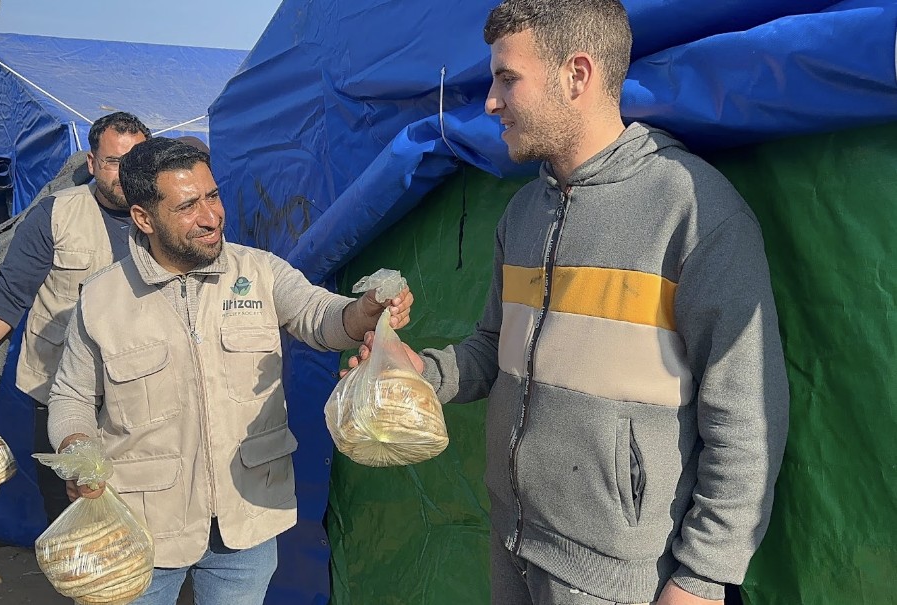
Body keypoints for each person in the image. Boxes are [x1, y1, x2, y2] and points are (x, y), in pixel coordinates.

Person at [350, 1, 790, 603]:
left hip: (624, 578)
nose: (490, 102)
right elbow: (491, 347)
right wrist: (419, 372)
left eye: (508, 78)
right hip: (513, 548)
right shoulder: (524, 213)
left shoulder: (691, 211)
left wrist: (703, 577)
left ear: (575, 75)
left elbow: (746, 415)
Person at [46, 137, 414, 605]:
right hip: (141, 524)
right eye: (187, 206)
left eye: (213, 196)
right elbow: (71, 397)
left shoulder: (259, 272)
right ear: (144, 218)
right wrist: (77, 448)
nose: (211, 216)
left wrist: (365, 310)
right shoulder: (101, 298)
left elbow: (320, 317)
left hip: (249, 515)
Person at [0, 111, 152, 523]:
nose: (125, 174)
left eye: (136, 162)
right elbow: (8, 298)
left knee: (141, 523)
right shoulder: (55, 215)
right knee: (73, 523)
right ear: (91, 163)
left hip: (144, 401)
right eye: (112, 162)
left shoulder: (168, 217)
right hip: (62, 397)